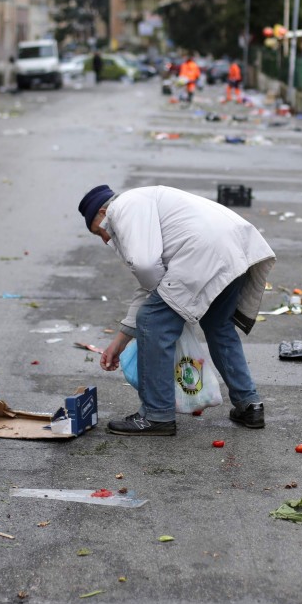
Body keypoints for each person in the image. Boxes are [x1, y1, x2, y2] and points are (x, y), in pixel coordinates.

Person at [78, 184, 275, 436]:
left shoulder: (123, 207)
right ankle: (249, 404)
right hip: (234, 246)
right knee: (219, 325)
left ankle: (156, 414)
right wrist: (120, 340)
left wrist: (166, 303)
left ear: (104, 211)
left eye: (100, 232)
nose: (106, 239)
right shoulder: (145, 202)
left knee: (152, 320)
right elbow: (148, 284)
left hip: (203, 252)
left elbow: (145, 265)